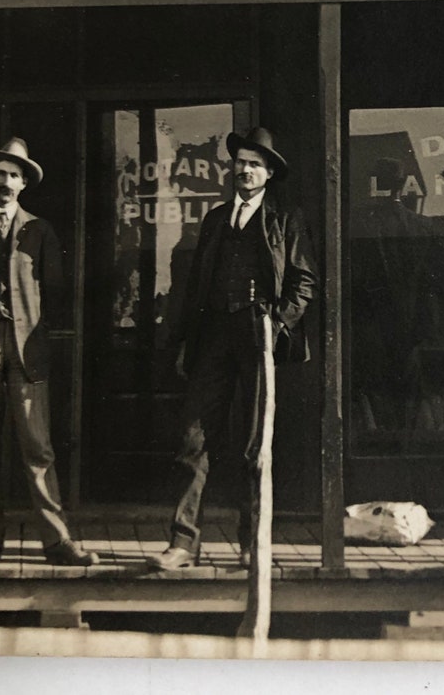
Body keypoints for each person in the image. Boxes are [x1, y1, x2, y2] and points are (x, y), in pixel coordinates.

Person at [147, 126, 317, 571]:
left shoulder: (285, 218)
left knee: (254, 443)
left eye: (254, 164)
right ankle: (183, 543)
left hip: (261, 336)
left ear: (268, 174)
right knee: (194, 439)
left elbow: (303, 281)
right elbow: (194, 285)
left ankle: (251, 544)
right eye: (241, 162)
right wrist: (183, 341)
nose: (245, 170)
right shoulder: (217, 219)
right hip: (215, 338)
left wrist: (278, 324)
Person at [0, 138, 98, 566]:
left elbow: (58, 291)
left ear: (24, 183)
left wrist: (35, 329)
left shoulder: (39, 230)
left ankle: (56, 541)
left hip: (26, 348)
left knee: (38, 447)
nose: (5, 182)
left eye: (13, 175)